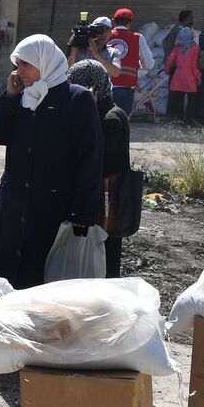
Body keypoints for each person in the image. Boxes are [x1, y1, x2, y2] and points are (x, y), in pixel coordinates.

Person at [0, 34, 102, 330]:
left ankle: (36, 338)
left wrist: (83, 211)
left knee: (40, 274)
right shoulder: (22, 97)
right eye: (17, 64)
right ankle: (0, 331)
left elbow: (90, 157)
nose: (19, 71)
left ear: (45, 63)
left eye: (26, 65)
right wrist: (9, 97)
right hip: (14, 203)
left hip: (52, 207)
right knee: (6, 269)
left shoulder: (76, 99)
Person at [68, 60, 129, 278]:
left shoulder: (111, 118)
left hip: (106, 201)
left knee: (104, 259)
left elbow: (94, 150)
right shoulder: (105, 112)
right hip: (101, 199)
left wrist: (88, 112)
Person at [105, 8, 155, 115]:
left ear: (113, 21)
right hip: (125, 89)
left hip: (104, 89)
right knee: (121, 122)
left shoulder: (105, 36)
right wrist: (138, 73)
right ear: (129, 24)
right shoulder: (137, 38)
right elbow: (149, 64)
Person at [164, 27, 202, 126]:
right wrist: (198, 76)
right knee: (191, 99)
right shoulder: (195, 48)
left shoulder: (178, 47)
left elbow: (170, 59)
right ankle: (189, 119)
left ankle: (179, 118)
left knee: (178, 99)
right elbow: (194, 65)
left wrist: (167, 71)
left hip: (178, 76)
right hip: (190, 78)